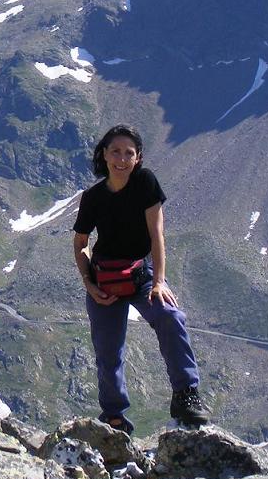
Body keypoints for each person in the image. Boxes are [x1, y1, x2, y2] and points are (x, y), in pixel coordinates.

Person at [71, 124, 210, 434]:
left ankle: (186, 395)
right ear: (104, 154)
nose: (122, 159)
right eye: (116, 151)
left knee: (170, 316)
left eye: (129, 153)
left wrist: (159, 281)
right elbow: (80, 245)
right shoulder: (92, 197)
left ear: (138, 158)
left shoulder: (145, 183)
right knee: (108, 350)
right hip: (105, 278)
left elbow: (156, 233)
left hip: (142, 272)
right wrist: (89, 284)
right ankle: (114, 417)